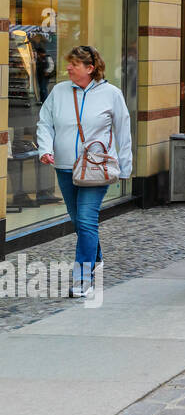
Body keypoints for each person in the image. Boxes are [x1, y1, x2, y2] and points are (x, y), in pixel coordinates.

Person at [36, 45, 133, 298]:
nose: (68, 67)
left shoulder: (111, 94)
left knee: (87, 221)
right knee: (78, 220)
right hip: (65, 167)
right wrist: (45, 148)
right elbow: (45, 122)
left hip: (96, 169)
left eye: (74, 64)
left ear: (90, 68)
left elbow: (123, 131)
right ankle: (95, 257)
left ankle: (83, 278)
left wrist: (125, 166)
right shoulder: (58, 91)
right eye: (69, 63)